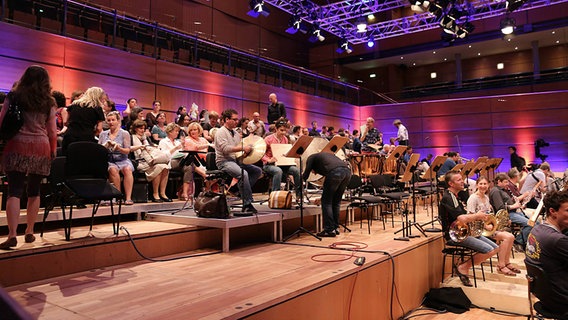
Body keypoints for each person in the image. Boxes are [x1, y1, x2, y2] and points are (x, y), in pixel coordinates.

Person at [0, 65, 57, 249]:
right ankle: (30, 231)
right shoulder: (49, 101)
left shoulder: (14, 96)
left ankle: (11, 235)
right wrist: (53, 150)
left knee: (14, 191)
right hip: (41, 145)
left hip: (17, 144)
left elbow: (2, 120)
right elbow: (52, 131)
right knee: (35, 190)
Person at [439, 171, 498, 286]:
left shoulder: (458, 195)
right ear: (451, 184)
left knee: (495, 248)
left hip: (464, 231)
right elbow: (461, 218)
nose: (463, 181)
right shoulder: (448, 197)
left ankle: (463, 266)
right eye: (459, 180)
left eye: (462, 179)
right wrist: (477, 216)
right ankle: (463, 267)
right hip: (454, 235)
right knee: (489, 250)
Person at [525, 190, 568, 316]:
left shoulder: (536, 229)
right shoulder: (557, 240)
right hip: (561, 299)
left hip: (544, 295)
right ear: (552, 211)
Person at [466, 176, 520, 276]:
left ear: (488, 185)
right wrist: (485, 226)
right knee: (507, 238)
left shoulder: (486, 198)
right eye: (480, 184)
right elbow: (470, 218)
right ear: (477, 185)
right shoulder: (472, 198)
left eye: (485, 184)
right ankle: (501, 265)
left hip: (487, 228)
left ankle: (507, 263)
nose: (483, 186)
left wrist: (502, 220)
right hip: (477, 230)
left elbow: (489, 215)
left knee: (511, 237)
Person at [215, 108, 262, 213]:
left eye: (237, 119)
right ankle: (247, 203)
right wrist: (242, 148)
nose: (237, 122)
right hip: (224, 162)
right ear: (227, 119)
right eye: (234, 119)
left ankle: (237, 189)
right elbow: (225, 149)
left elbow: (237, 152)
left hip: (235, 160)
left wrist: (244, 154)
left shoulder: (236, 134)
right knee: (243, 174)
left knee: (257, 171)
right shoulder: (220, 132)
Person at [303, 152, 351, 237]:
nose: (314, 173)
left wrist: (299, 183)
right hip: (347, 172)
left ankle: (329, 229)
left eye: (313, 171)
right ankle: (335, 227)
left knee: (326, 201)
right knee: (336, 201)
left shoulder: (311, 158)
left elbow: (306, 174)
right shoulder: (325, 157)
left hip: (335, 172)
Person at [98, 111, 136, 205]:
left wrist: (118, 148)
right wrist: (105, 146)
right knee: (112, 170)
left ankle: (128, 198)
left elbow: (127, 150)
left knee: (127, 169)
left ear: (118, 121)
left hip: (123, 159)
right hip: (110, 160)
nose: (111, 122)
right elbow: (98, 150)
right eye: (109, 120)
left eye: (113, 120)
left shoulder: (124, 133)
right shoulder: (103, 134)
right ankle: (118, 196)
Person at [489, 173, 533, 251]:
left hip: (513, 212)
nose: (508, 184)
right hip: (506, 215)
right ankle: (518, 242)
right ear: (499, 182)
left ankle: (528, 242)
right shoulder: (495, 191)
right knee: (529, 224)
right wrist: (514, 206)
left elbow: (508, 203)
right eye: (506, 182)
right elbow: (500, 208)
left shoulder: (502, 190)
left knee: (534, 221)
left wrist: (517, 204)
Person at [131, 119, 171, 203]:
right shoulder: (132, 138)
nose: (142, 130)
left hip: (150, 159)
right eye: (140, 128)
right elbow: (138, 153)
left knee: (165, 167)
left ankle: (162, 193)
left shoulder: (146, 138)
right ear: (135, 128)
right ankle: (155, 194)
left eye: (143, 128)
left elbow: (150, 148)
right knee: (159, 167)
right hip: (140, 162)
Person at [262, 119, 302, 201]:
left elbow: (284, 152)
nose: (283, 133)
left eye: (285, 131)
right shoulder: (268, 139)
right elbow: (260, 153)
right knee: (278, 171)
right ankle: (275, 196)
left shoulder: (285, 139)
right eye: (281, 130)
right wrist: (268, 159)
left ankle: (299, 196)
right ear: (276, 129)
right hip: (269, 165)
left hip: (282, 164)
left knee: (296, 171)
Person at [61, 86, 106, 153]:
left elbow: (66, 122)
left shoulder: (74, 104)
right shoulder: (97, 108)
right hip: (86, 139)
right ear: (98, 97)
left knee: (68, 159)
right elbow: (99, 129)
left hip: (69, 137)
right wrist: (90, 133)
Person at [181, 122, 209, 200]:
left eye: (195, 130)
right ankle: (204, 174)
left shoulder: (203, 139)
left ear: (199, 130)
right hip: (192, 161)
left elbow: (208, 149)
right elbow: (194, 148)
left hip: (204, 161)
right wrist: (207, 145)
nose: (192, 132)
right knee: (191, 162)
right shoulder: (187, 139)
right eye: (191, 130)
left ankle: (207, 191)